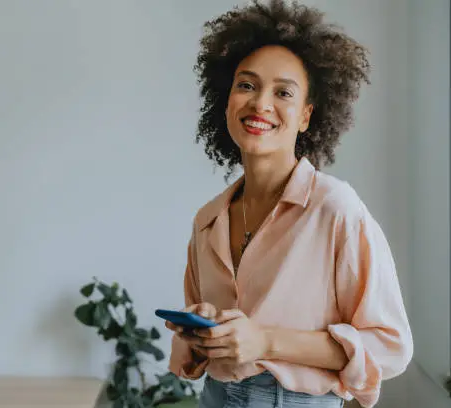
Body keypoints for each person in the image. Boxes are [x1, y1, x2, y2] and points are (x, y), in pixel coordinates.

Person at [164, 1, 413, 407]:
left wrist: (264, 341)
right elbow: (202, 353)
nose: (260, 103)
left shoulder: (335, 209)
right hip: (215, 397)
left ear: (306, 117)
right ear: (225, 100)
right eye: (246, 85)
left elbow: (390, 347)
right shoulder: (207, 220)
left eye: (283, 92)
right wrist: (207, 333)